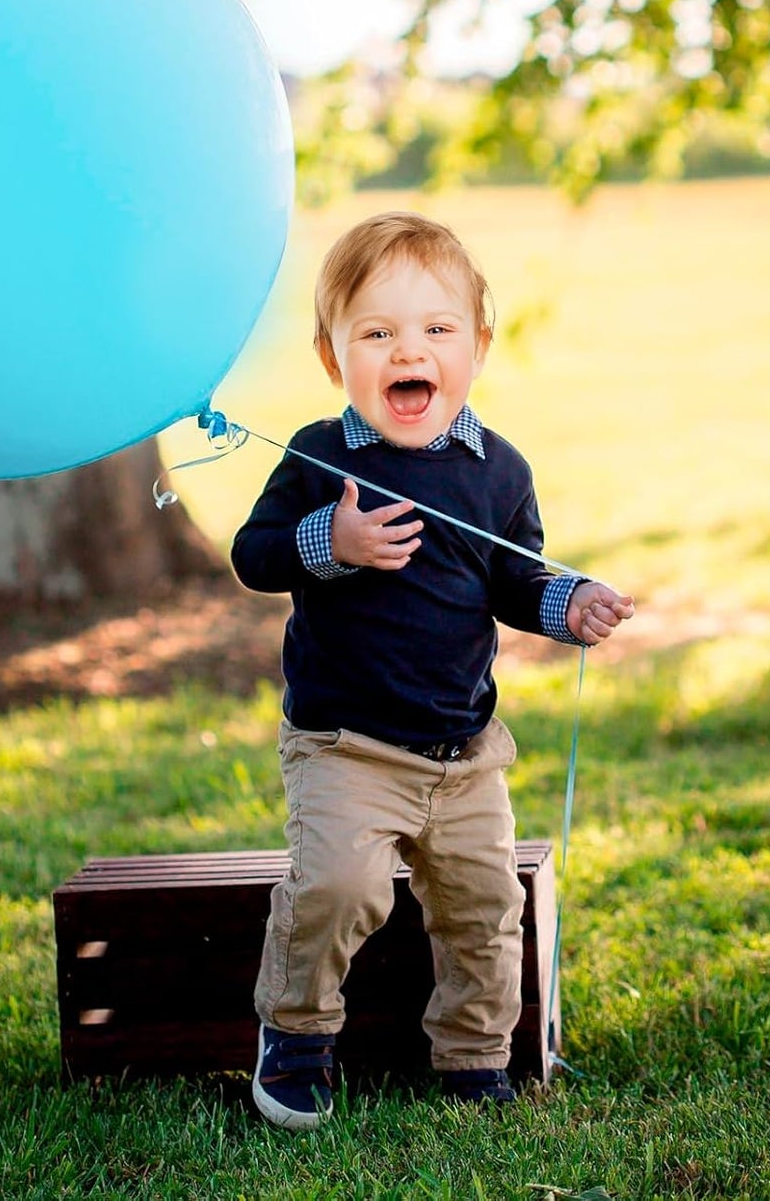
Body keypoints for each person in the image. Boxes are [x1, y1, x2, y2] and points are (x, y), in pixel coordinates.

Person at [231, 210, 634, 1130]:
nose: (408, 350)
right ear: (333, 359)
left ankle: (474, 1054)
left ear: (477, 349)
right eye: (376, 333)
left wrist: (568, 604)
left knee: (485, 907)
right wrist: (329, 540)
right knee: (337, 887)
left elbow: (516, 579)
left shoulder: (499, 471)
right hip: (346, 746)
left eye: (435, 328)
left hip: (464, 753)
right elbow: (253, 555)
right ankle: (295, 1033)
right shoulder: (317, 458)